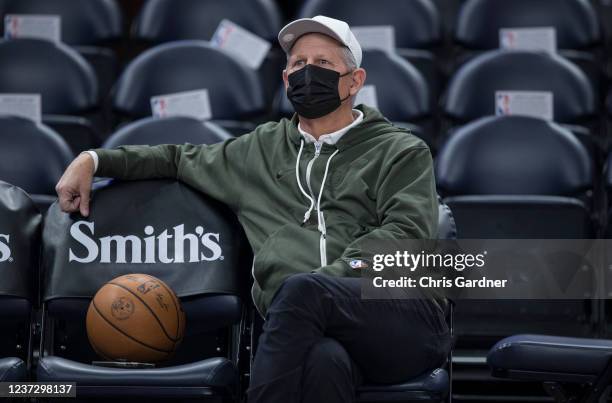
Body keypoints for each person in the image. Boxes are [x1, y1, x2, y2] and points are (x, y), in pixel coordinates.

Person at [56, 15, 451, 403]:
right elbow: (177, 158)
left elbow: (405, 237)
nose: (307, 73)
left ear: (355, 81)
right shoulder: (257, 150)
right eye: (298, 64)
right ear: (284, 79)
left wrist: (322, 282)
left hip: (399, 315)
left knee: (301, 291)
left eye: (324, 64)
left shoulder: (401, 149)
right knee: (323, 362)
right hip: (305, 329)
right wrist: (93, 159)